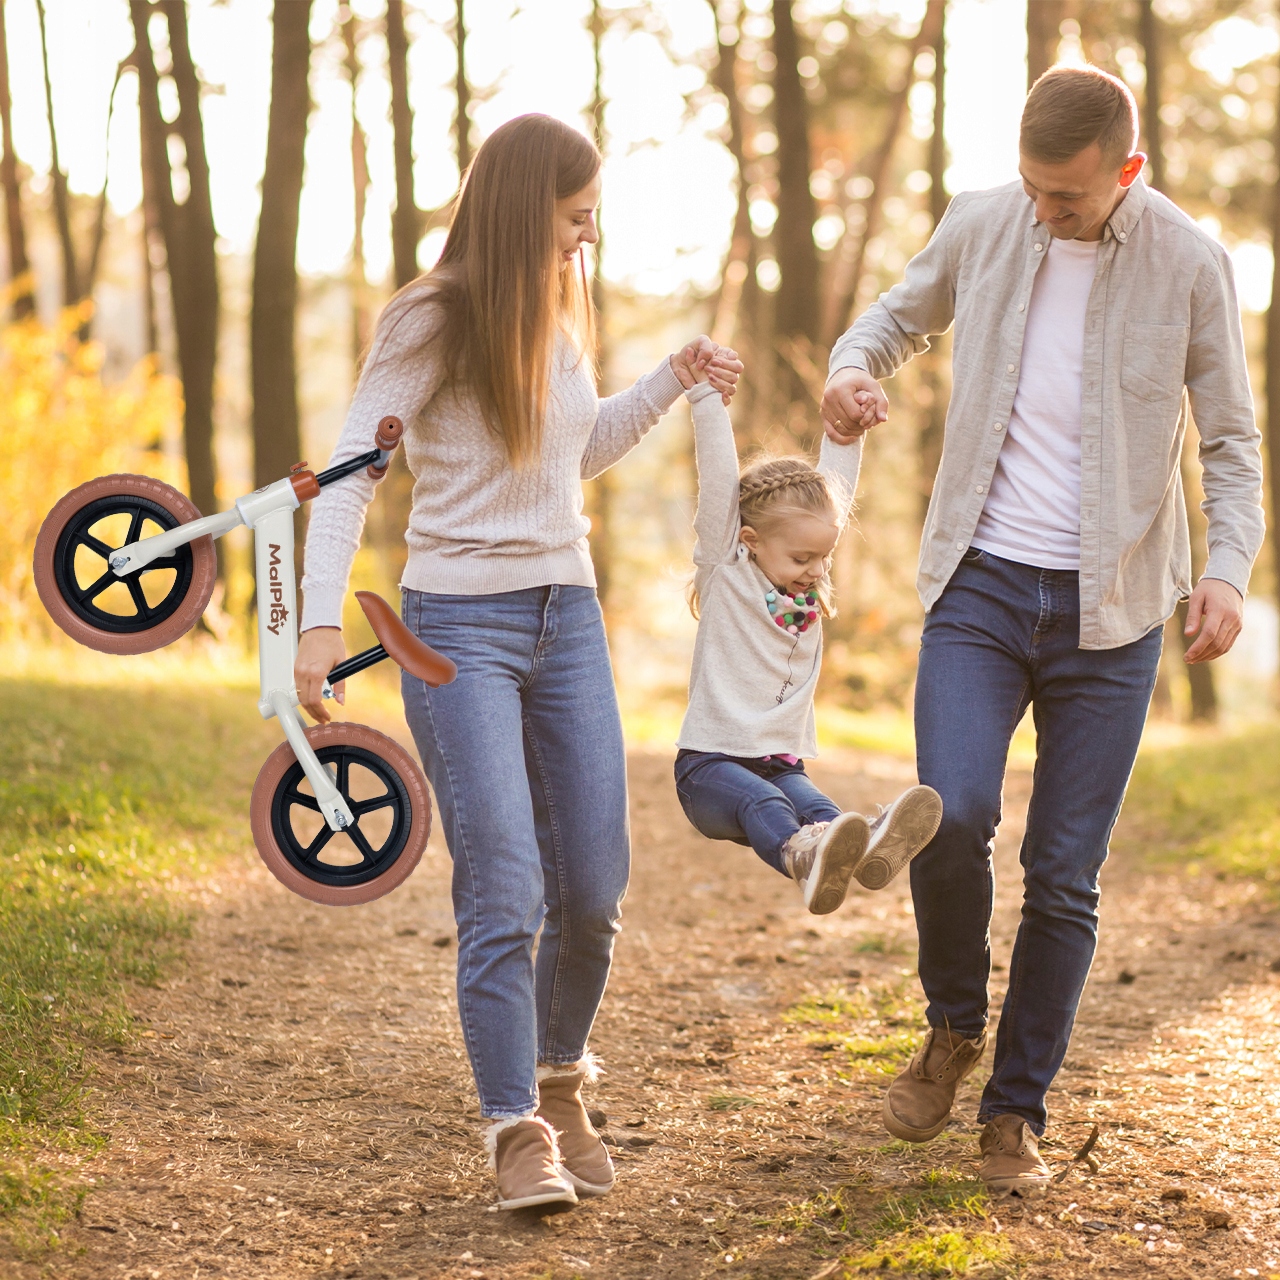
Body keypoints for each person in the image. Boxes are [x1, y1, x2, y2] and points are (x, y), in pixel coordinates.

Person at [822, 66, 1263, 1196]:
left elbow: (1230, 440)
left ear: (1127, 170)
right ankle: (952, 1026)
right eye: (1032, 187)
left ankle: (1014, 1109)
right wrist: (851, 370)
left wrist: (1223, 570)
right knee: (950, 812)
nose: (1044, 211)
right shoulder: (984, 221)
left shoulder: (1190, 262)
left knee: (1062, 872)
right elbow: (893, 318)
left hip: (1111, 612)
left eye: (1066, 196)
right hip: (978, 584)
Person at [292, 114, 742, 1211]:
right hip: (456, 626)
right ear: (522, 204)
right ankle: (512, 1129)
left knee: (592, 887)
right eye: (575, 215)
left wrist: (671, 378)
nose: (587, 235)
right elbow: (350, 471)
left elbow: (570, 455)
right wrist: (314, 624)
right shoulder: (431, 317)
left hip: (567, 616)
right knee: (505, 883)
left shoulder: (555, 308)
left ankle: (558, 1079)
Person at [671, 356, 942, 916]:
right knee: (766, 803)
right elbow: (718, 480)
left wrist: (849, 429)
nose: (816, 570)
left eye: (824, 557)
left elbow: (835, 488)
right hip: (711, 771)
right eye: (801, 558)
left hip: (781, 763)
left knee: (822, 812)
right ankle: (800, 855)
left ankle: (863, 846)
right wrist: (705, 399)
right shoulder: (729, 572)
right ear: (750, 539)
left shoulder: (807, 581)